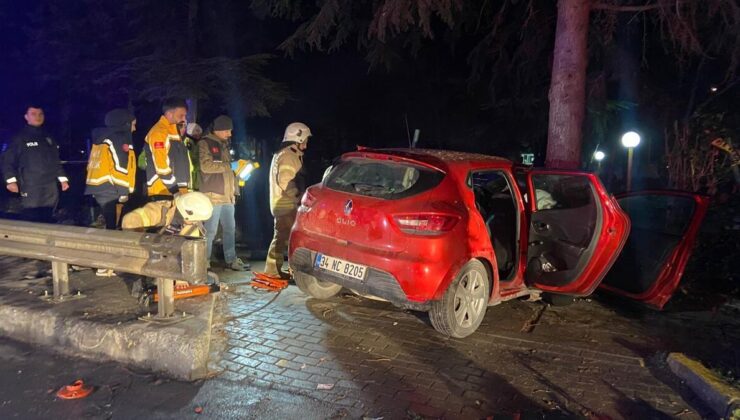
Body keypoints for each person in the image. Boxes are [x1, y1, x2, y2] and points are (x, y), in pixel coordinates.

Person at [84, 108, 137, 276]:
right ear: (125, 123)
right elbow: (120, 167)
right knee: (111, 229)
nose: (134, 128)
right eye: (133, 124)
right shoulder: (119, 138)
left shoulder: (102, 138)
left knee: (109, 226)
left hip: (100, 186)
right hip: (111, 188)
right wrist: (123, 191)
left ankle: (106, 265)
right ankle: (104, 265)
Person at [2, 104, 69, 223]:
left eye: (40, 114)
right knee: (32, 217)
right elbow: (7, 160)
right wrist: (10, 181)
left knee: (48, 217)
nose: (38, 117)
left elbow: (55, 161)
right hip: (30, 185)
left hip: (50, 186)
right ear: (26, 117)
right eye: (33, 114)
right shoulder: (19, 138)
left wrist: (63, 179)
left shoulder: (48, 137)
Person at [198, 115, 249, 271]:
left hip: (228, 195)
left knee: (229, 229)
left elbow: (227, 169)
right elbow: (206, 166)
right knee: (210, 231)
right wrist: (231, 166)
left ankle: (231, 259)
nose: (230, 134)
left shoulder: (224, 145)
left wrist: (239, 174)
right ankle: (203, 262)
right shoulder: (204, 143)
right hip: (213, 195)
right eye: (227, 130)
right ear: (218, 130)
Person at [264, 122, 311, 279]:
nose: (306, 144)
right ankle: (274, 272)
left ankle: (273, 271)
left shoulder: (287, 153)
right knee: (285, 239)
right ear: (298, 139)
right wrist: (298, 197)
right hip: (286, 205)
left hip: (283, 204)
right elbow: (286, 180)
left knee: (282, 237)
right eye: (305, 140)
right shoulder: (289, 155)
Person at [144, 98, 191, 200]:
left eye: (185, 115)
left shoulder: (173, 131)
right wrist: (174, 189)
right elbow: (161, 165)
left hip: (177, 189)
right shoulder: (159, 132)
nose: (184, 119)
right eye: (181, 115)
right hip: (164, 190)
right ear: (170, 114)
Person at [121, 191, 212, 238]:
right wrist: (143, 244)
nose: (196, 222)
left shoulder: (193, 226)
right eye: (194, 220)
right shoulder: (161, 210)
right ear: (186, 213)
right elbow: (130, 220)